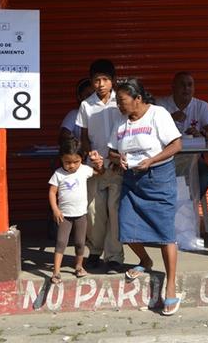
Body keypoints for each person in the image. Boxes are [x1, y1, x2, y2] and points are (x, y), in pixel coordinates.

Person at [108, 79, 183, 316]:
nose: (119, 105)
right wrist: (115, 158)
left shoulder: (158, 114)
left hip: (158, 178)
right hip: (132, 180)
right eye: (118, 101)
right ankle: (145, 261)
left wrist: (152, 160)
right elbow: (111, 149)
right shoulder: (121, 122)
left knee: (165, 234)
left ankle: (170, 285)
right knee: (126, 228)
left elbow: (176, 145)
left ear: (138, 98)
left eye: (122, 100)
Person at [75, 59, 124, 273]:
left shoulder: (120, 102)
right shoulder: (86, 105)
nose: (101, 84)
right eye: (97, 80)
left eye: (105, 79)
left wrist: (119, 158)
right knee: (93, 211)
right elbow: (84, 136)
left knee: (115, 211)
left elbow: (128, 130)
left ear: (113, 80)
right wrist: (90, 155)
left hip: (117, 166)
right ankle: (94, 252)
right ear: (91, 81)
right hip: (94, 166)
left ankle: (114, 257)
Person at [48, 138, 104, 284]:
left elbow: (99, 172)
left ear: (81, 159)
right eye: (67, 162)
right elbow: (52, 192)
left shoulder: (85, 170)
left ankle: (79, 266)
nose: (71, 166)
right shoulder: (58, 174)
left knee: (80, 242)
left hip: (81, 215)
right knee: (61, 242)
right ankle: (56, 272)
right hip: (64, 216)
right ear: (61, 159)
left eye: (76, 162)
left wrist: (98, 163)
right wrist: (55, 209)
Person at [157, 71, 208, 198]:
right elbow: (151, 131)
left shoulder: (201, 105)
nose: (186, 89)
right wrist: (170, 118)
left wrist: (201, 133)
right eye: (182, 85)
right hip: (167, 158)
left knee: (206, 176)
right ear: (173, 87)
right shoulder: (160, 105)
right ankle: (172, 205)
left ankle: (187, 205)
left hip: (193, 158)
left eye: (190, 85)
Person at [59, 78, 95, 143]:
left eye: (94, 95)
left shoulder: (104, 113)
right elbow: (64, 136)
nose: (92, 98)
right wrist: (79, 147)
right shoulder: (74, 114)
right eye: (88, 95)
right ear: (79, 97)